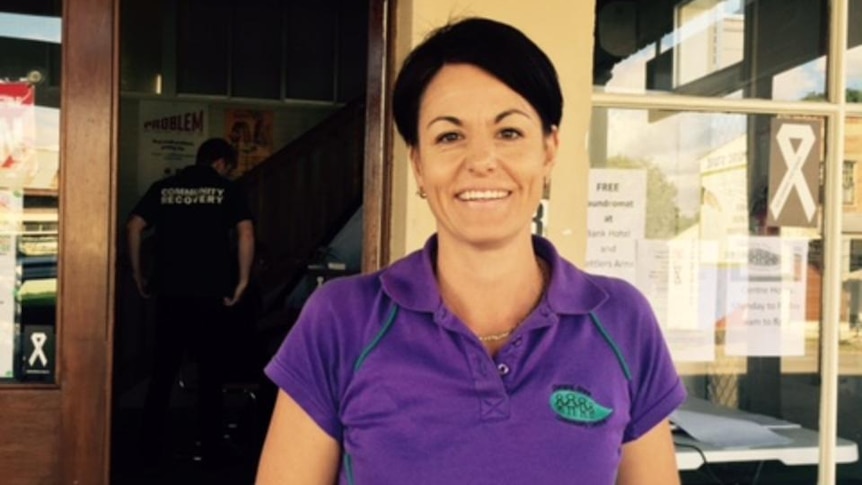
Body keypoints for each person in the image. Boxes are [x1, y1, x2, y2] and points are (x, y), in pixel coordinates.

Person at [256, 17, 685, 484]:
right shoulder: (341, 321)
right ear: (418, 164)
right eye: (449, 136)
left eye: (509, 133)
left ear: (549, 149)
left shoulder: (622, 320)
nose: (481, 161)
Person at [127, 137, 255, 467]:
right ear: (222, 163)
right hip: (211, 294)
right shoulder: (227, 190)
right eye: (230, 165)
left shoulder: (164, 187)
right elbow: (246, 233)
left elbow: (134, 226)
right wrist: (242, 280)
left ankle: (147, 445)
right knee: (211, 373)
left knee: (163, 371)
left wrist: (138, 273)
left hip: (171, 292)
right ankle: (210, 446)